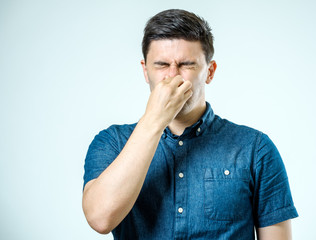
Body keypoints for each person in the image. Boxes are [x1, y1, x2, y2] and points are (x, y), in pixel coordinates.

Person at [82, 9, 298, 240]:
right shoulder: (112, 143)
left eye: (186, 64)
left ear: (210, 72)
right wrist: (155, 120)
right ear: (146, 71)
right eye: (162, 64)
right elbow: (100, 219)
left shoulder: (255, 148)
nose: (173, 77)